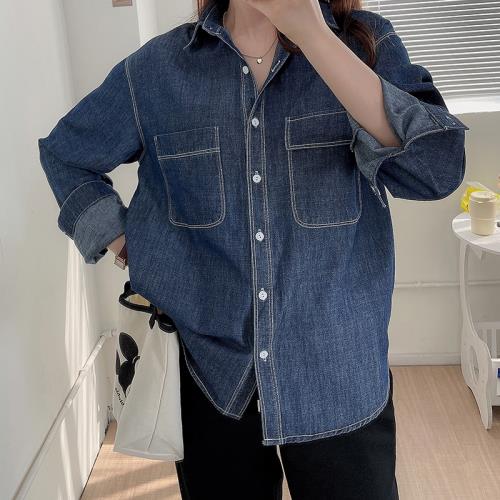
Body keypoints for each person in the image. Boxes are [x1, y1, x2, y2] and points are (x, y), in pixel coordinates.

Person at [38, 0, 469, 498]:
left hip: (338, 371)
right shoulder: (156, 71)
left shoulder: (366, 46)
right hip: (210, 378)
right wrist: (128, 245)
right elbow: (66, 155)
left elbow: (437, 170)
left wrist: (314, 35)